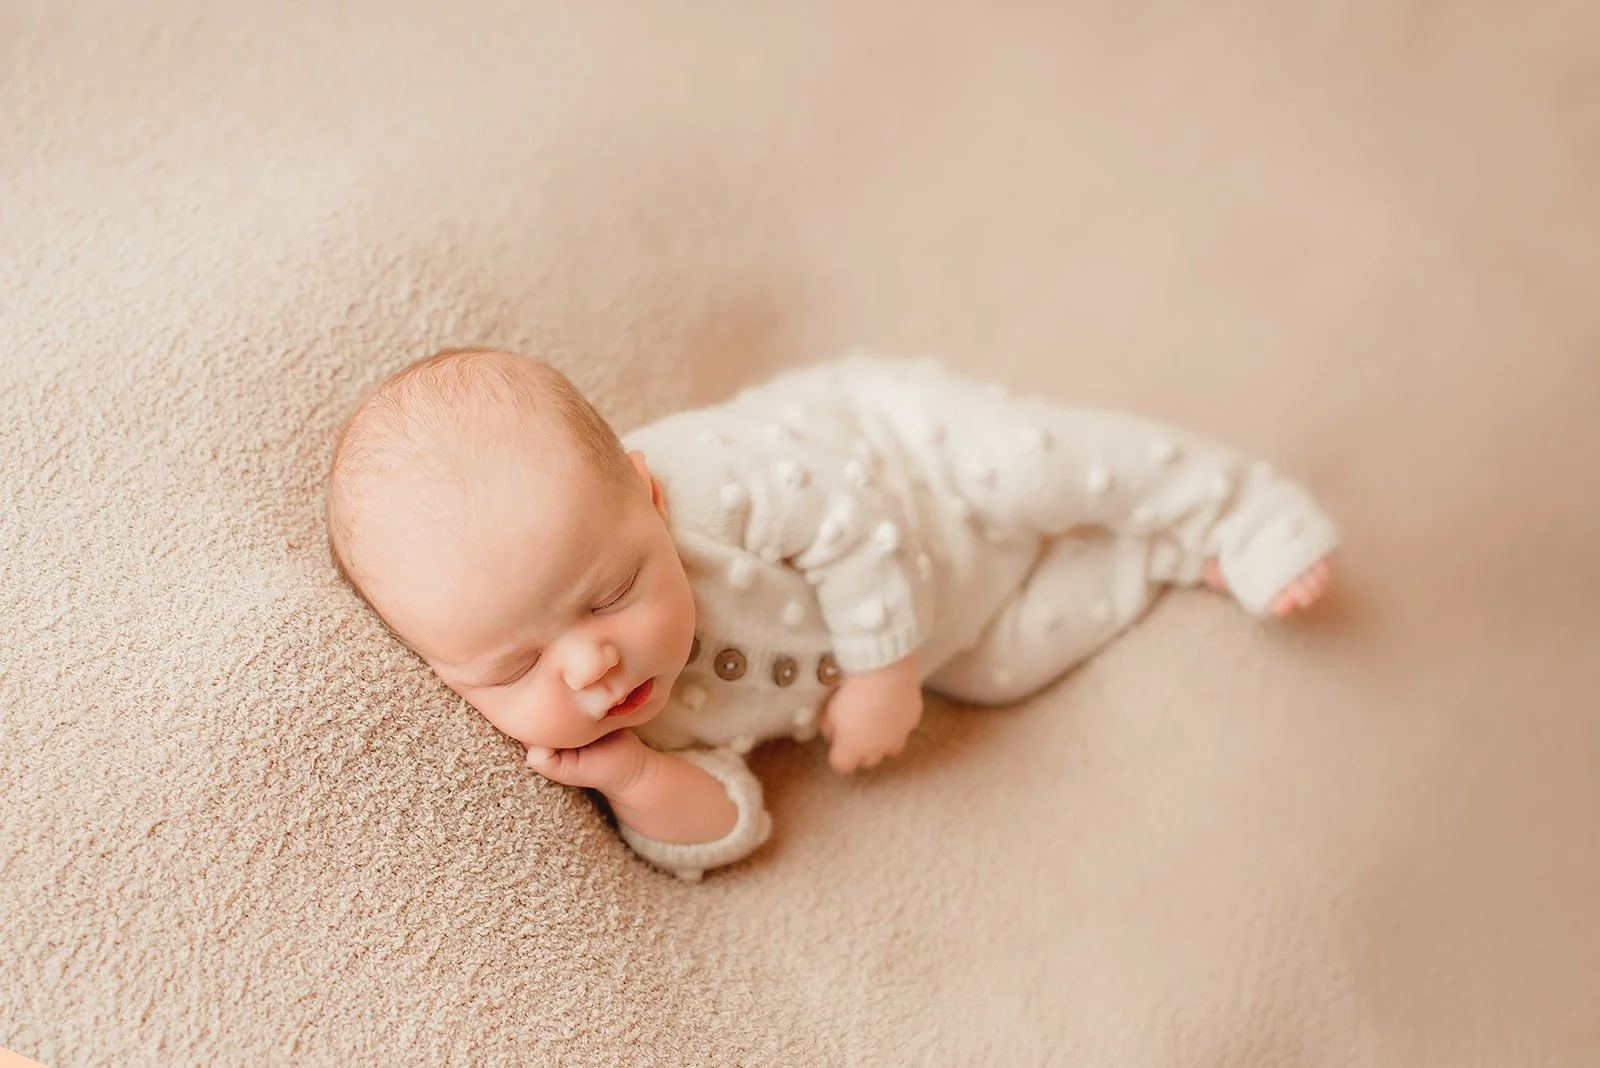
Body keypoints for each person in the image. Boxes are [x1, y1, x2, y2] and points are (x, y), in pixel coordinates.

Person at [324, 347, 1338, 880]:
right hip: (954, 624)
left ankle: (1233, 503)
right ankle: (1164, 553)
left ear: (645, 493)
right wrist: (637, 779)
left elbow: (846, 518)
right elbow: (732, 826)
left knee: (1032, 468)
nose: (589, 667)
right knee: (1001, 671)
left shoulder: (707, 482)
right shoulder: (626, 728)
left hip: (908, 456)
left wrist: (883, 670)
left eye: (609, 595)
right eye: (513, 669)